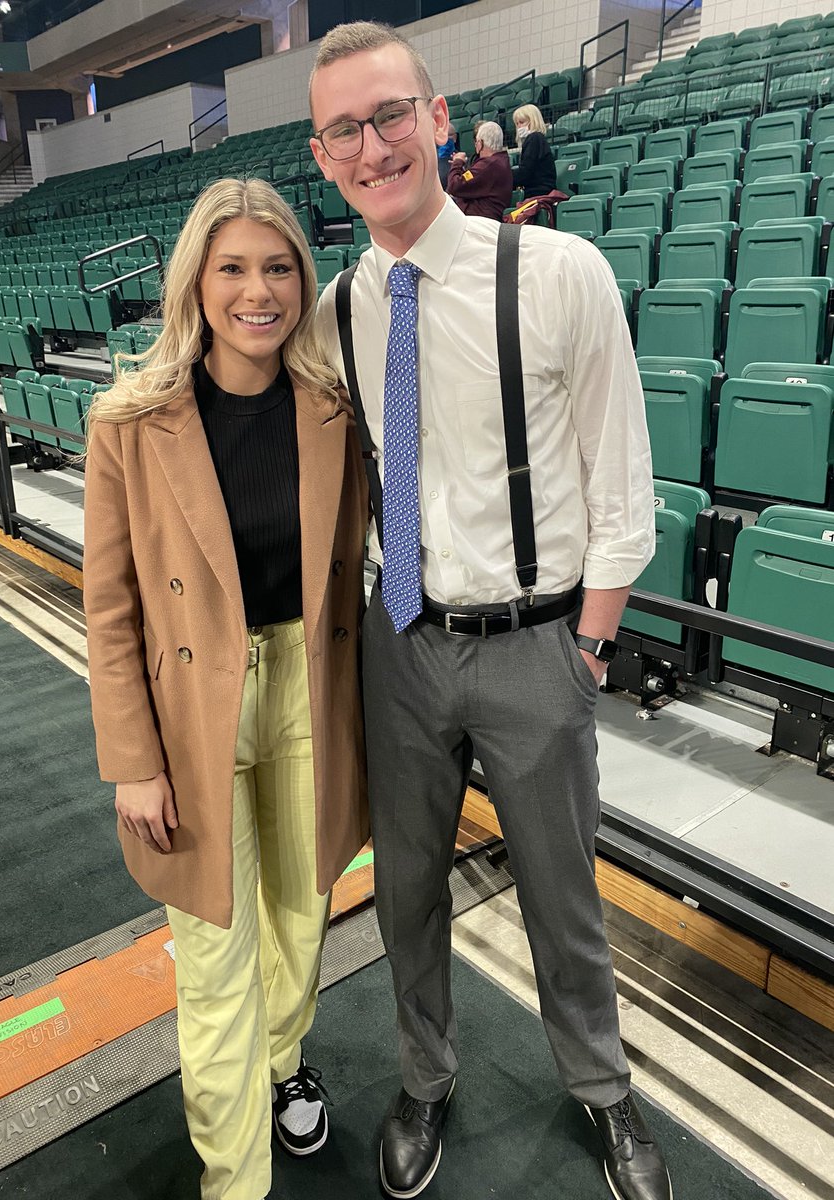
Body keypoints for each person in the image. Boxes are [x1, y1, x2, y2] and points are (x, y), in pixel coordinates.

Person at [308, 21, 669, 1200]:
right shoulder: (335, 312)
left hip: (535, 645)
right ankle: (426, 1075)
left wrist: (593, 643)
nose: (373, 145)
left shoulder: (561, 273)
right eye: (345, 130)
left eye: (390, 114)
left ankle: (604, 1090)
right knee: (407, 892)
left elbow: (625, 487)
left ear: (438, 116)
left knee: (565, 897)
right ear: (323, 157)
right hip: (401, 646)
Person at [83, 177, 369, 1200]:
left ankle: (281, 1062)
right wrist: (134, 762)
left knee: (299, 921)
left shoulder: (338, 409)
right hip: (189, 709)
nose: (260, 290)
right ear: (196, 284)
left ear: (305, 277)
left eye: (279, 266)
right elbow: (110, 606)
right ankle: (234, 1176)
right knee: (214, 955)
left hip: (307, 685)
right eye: (234, 267)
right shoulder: (129, 420)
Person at [446, 120, 513, 221]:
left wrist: (457, 162)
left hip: (478, 223)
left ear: (480, 143)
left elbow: (454, 186)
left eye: (476, 142)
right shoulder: (498, 161)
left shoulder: (488, 165)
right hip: (477, 219)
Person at [512, 102, 557, 198]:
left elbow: (526, 171)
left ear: (533, 121)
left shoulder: (534, 138)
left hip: (539, 193)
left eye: (522, 122)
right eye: (517, 123)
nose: (519, 126)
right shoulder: (537, 139)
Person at [437, 121, 458, 187]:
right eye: (442, 135)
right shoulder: (430, 161)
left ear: (455, 137)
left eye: (449, 135)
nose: (446, 138)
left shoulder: (462, 160)